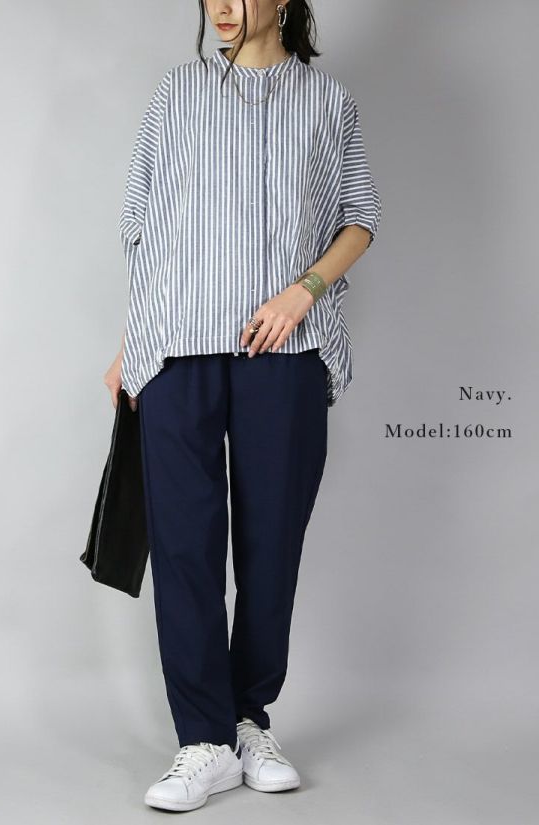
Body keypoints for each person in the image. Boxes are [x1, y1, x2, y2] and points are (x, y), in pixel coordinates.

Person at [104, 0, 381, 813]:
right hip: (176, 348)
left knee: (271, 547)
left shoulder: (326, 102)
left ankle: (248, 717)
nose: (222, 5)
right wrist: (132, 340)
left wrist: (305, 290)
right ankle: (203, 741)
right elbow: (143, 225)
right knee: (185, 548)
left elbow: (360, 217)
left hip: (284, 352)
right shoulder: (177, 93)